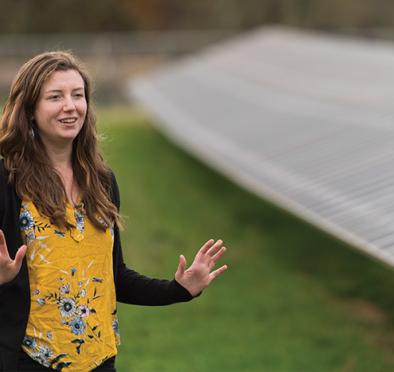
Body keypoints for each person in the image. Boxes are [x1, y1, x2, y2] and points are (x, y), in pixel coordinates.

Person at [0, 51, 228, 372]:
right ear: (29, 110)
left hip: (99, 360)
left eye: (77, 95)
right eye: (55, 97)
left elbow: (113, 275)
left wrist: (178, 290)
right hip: (30, 362)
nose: (70, 106)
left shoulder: (101, 180)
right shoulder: (7, 180)